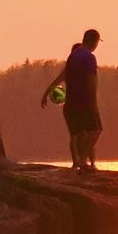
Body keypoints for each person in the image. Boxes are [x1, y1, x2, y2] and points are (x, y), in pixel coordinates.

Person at [42, 27, 103, 171]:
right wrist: (93, 102)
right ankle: (82, 160)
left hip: (71, 103)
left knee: (80, 133)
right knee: (96, 130)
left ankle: (81, 162)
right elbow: (91, 80)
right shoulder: (89, 57)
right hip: (84, 101)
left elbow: (62, 76)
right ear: (94, 42)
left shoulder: (73, 55)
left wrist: (46, 92)